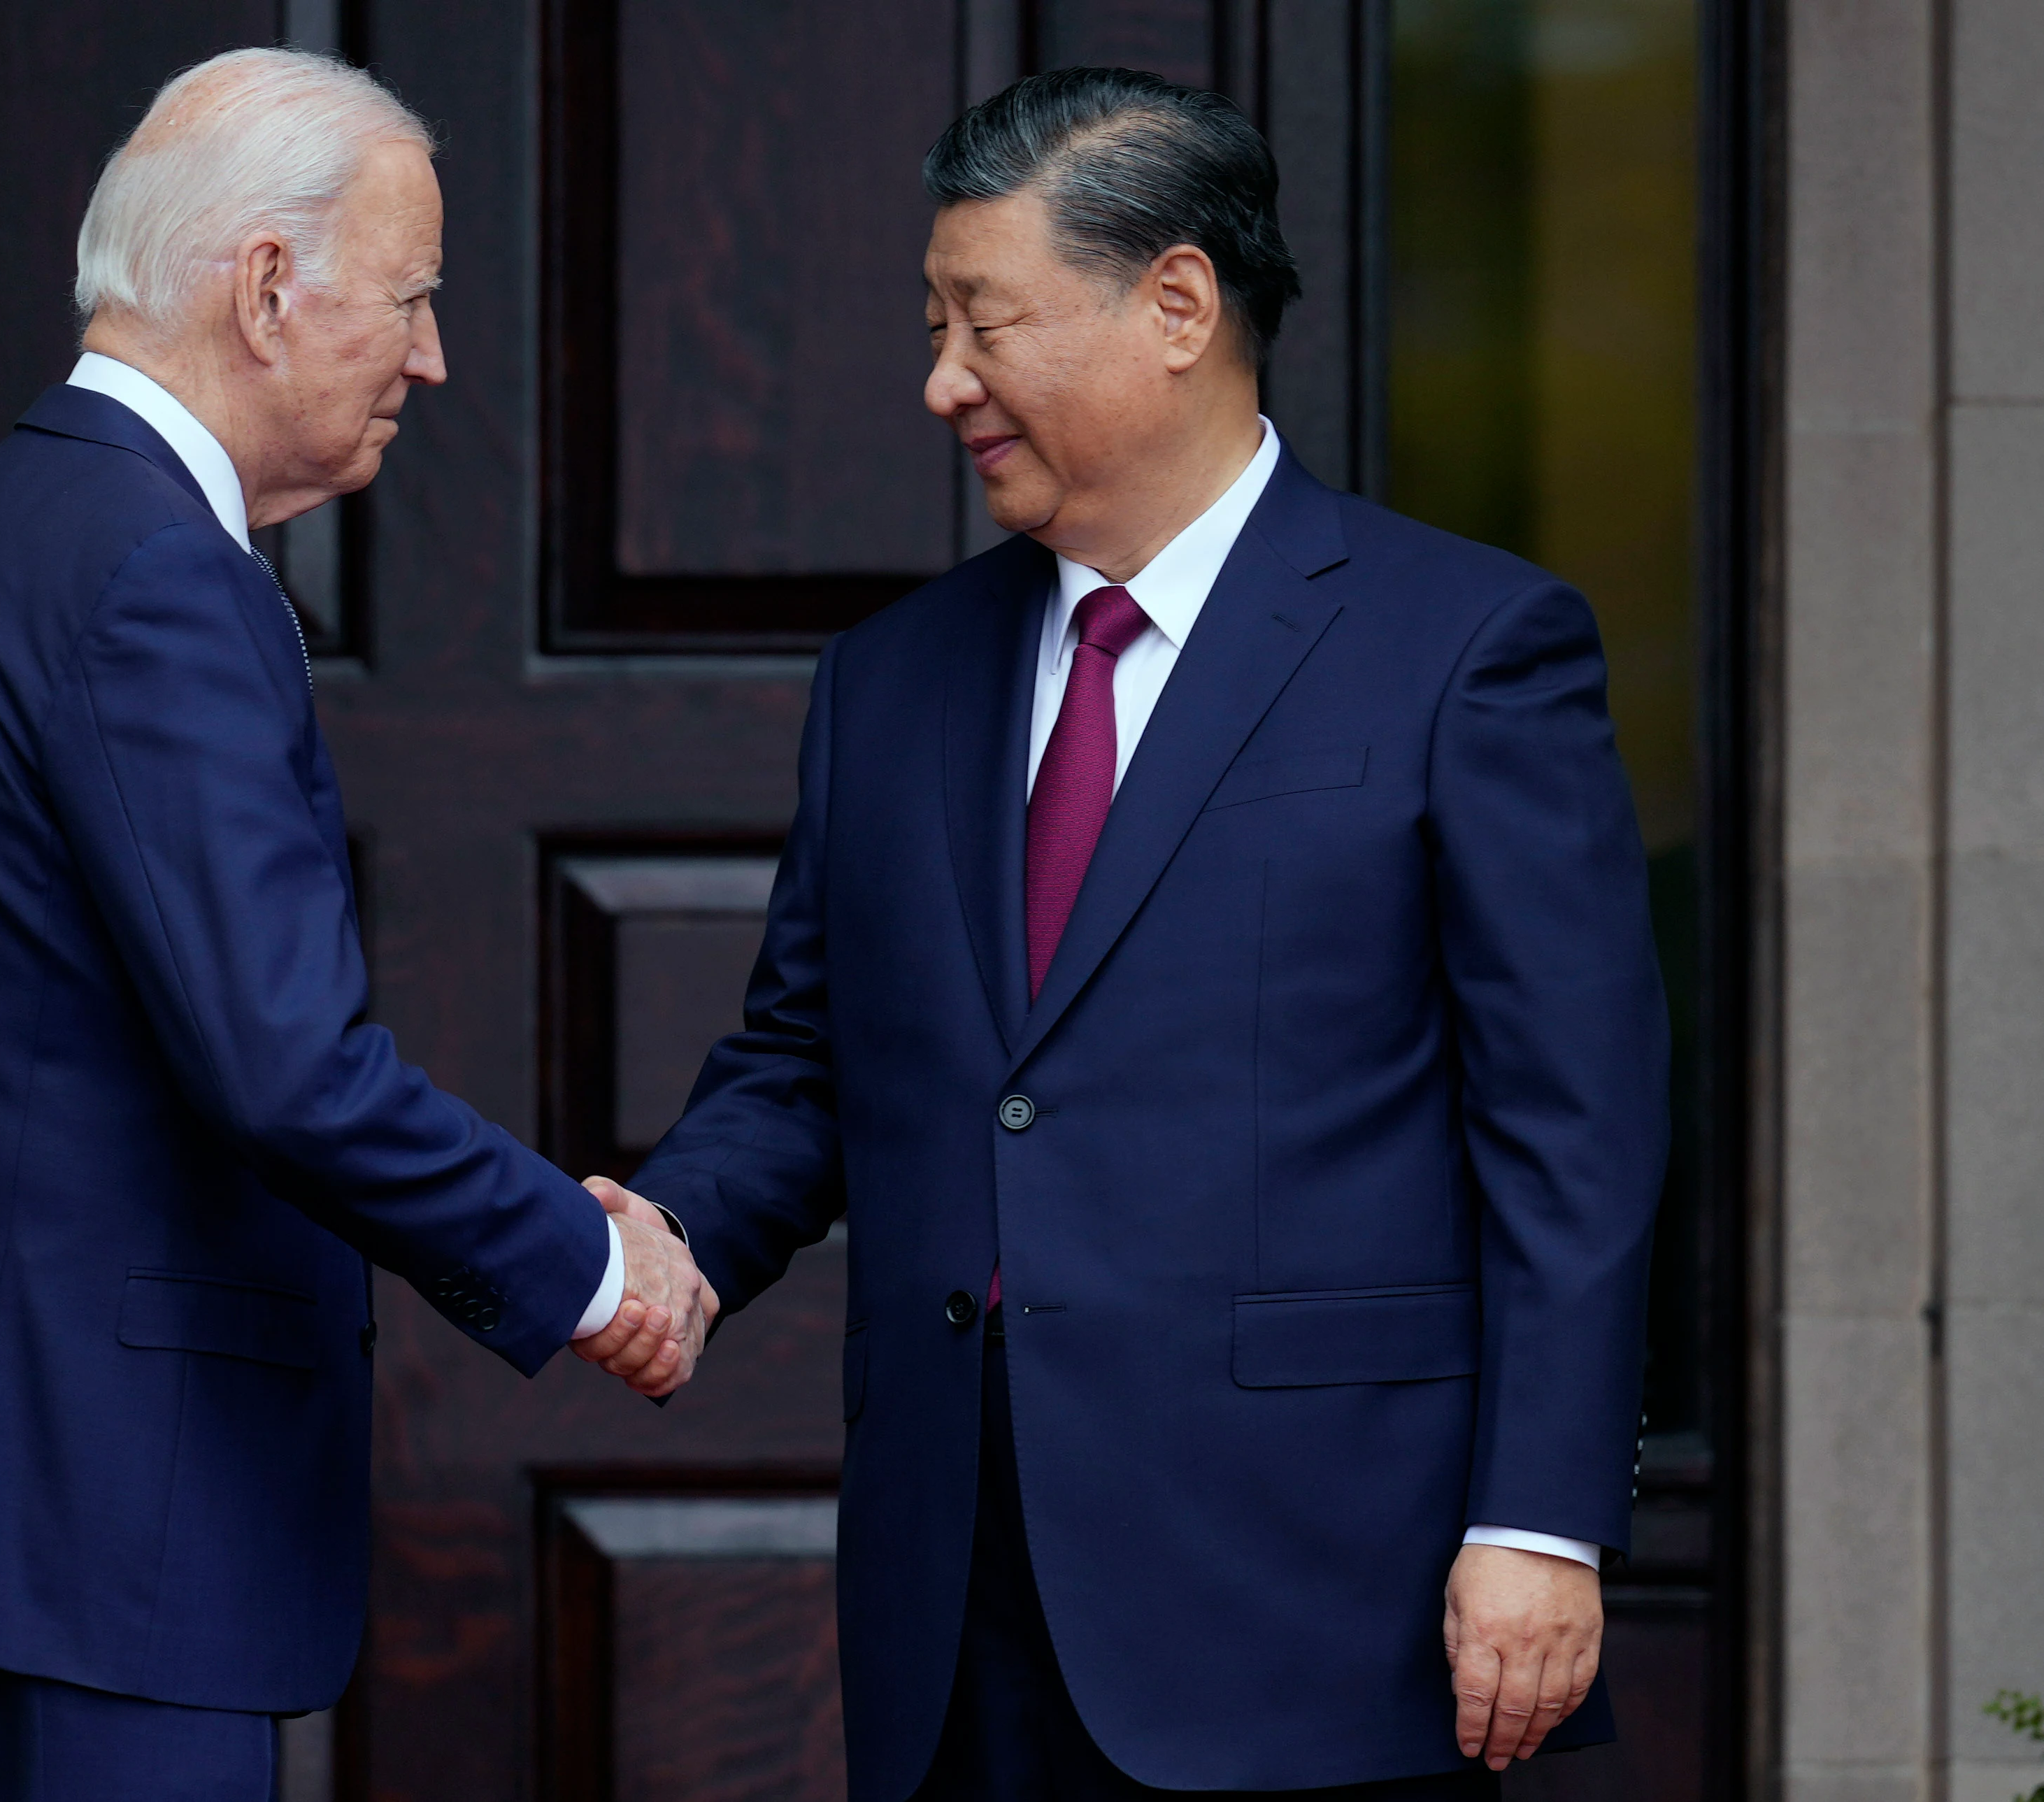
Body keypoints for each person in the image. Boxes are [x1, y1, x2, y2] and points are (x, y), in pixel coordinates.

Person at [601, 67, 1668, 1801]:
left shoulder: (1463, 647)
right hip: (959, 1596)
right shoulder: (892, 679)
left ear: (1175, 304)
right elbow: (806, 1057)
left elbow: (1574, 1126)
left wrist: (1541, 1515)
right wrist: (665, 1239)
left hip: (1319, 1591)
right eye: (934, 323)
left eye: (983, 323)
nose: (942, 381)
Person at [0, 49, 712, 1802]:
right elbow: (285, 1067)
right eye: (406, 300)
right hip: (81, 1525)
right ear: (267, 287)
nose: (431, 357)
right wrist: (587, 1261)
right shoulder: (152, 573)